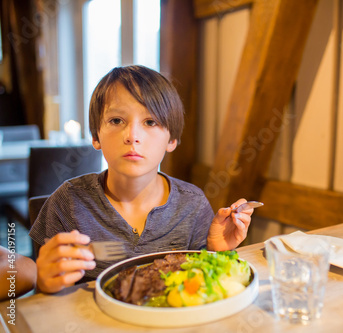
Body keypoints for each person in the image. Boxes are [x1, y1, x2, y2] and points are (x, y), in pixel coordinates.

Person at [29, 65, 254, 294]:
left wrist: (218, 252)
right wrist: (43, 280)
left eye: (150, 122)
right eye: (116, 121)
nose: (132, 136)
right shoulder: (67, 203)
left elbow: (204, 291)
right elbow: (46, 298)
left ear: (172, 140)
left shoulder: (192, 206)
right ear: (96, 136)